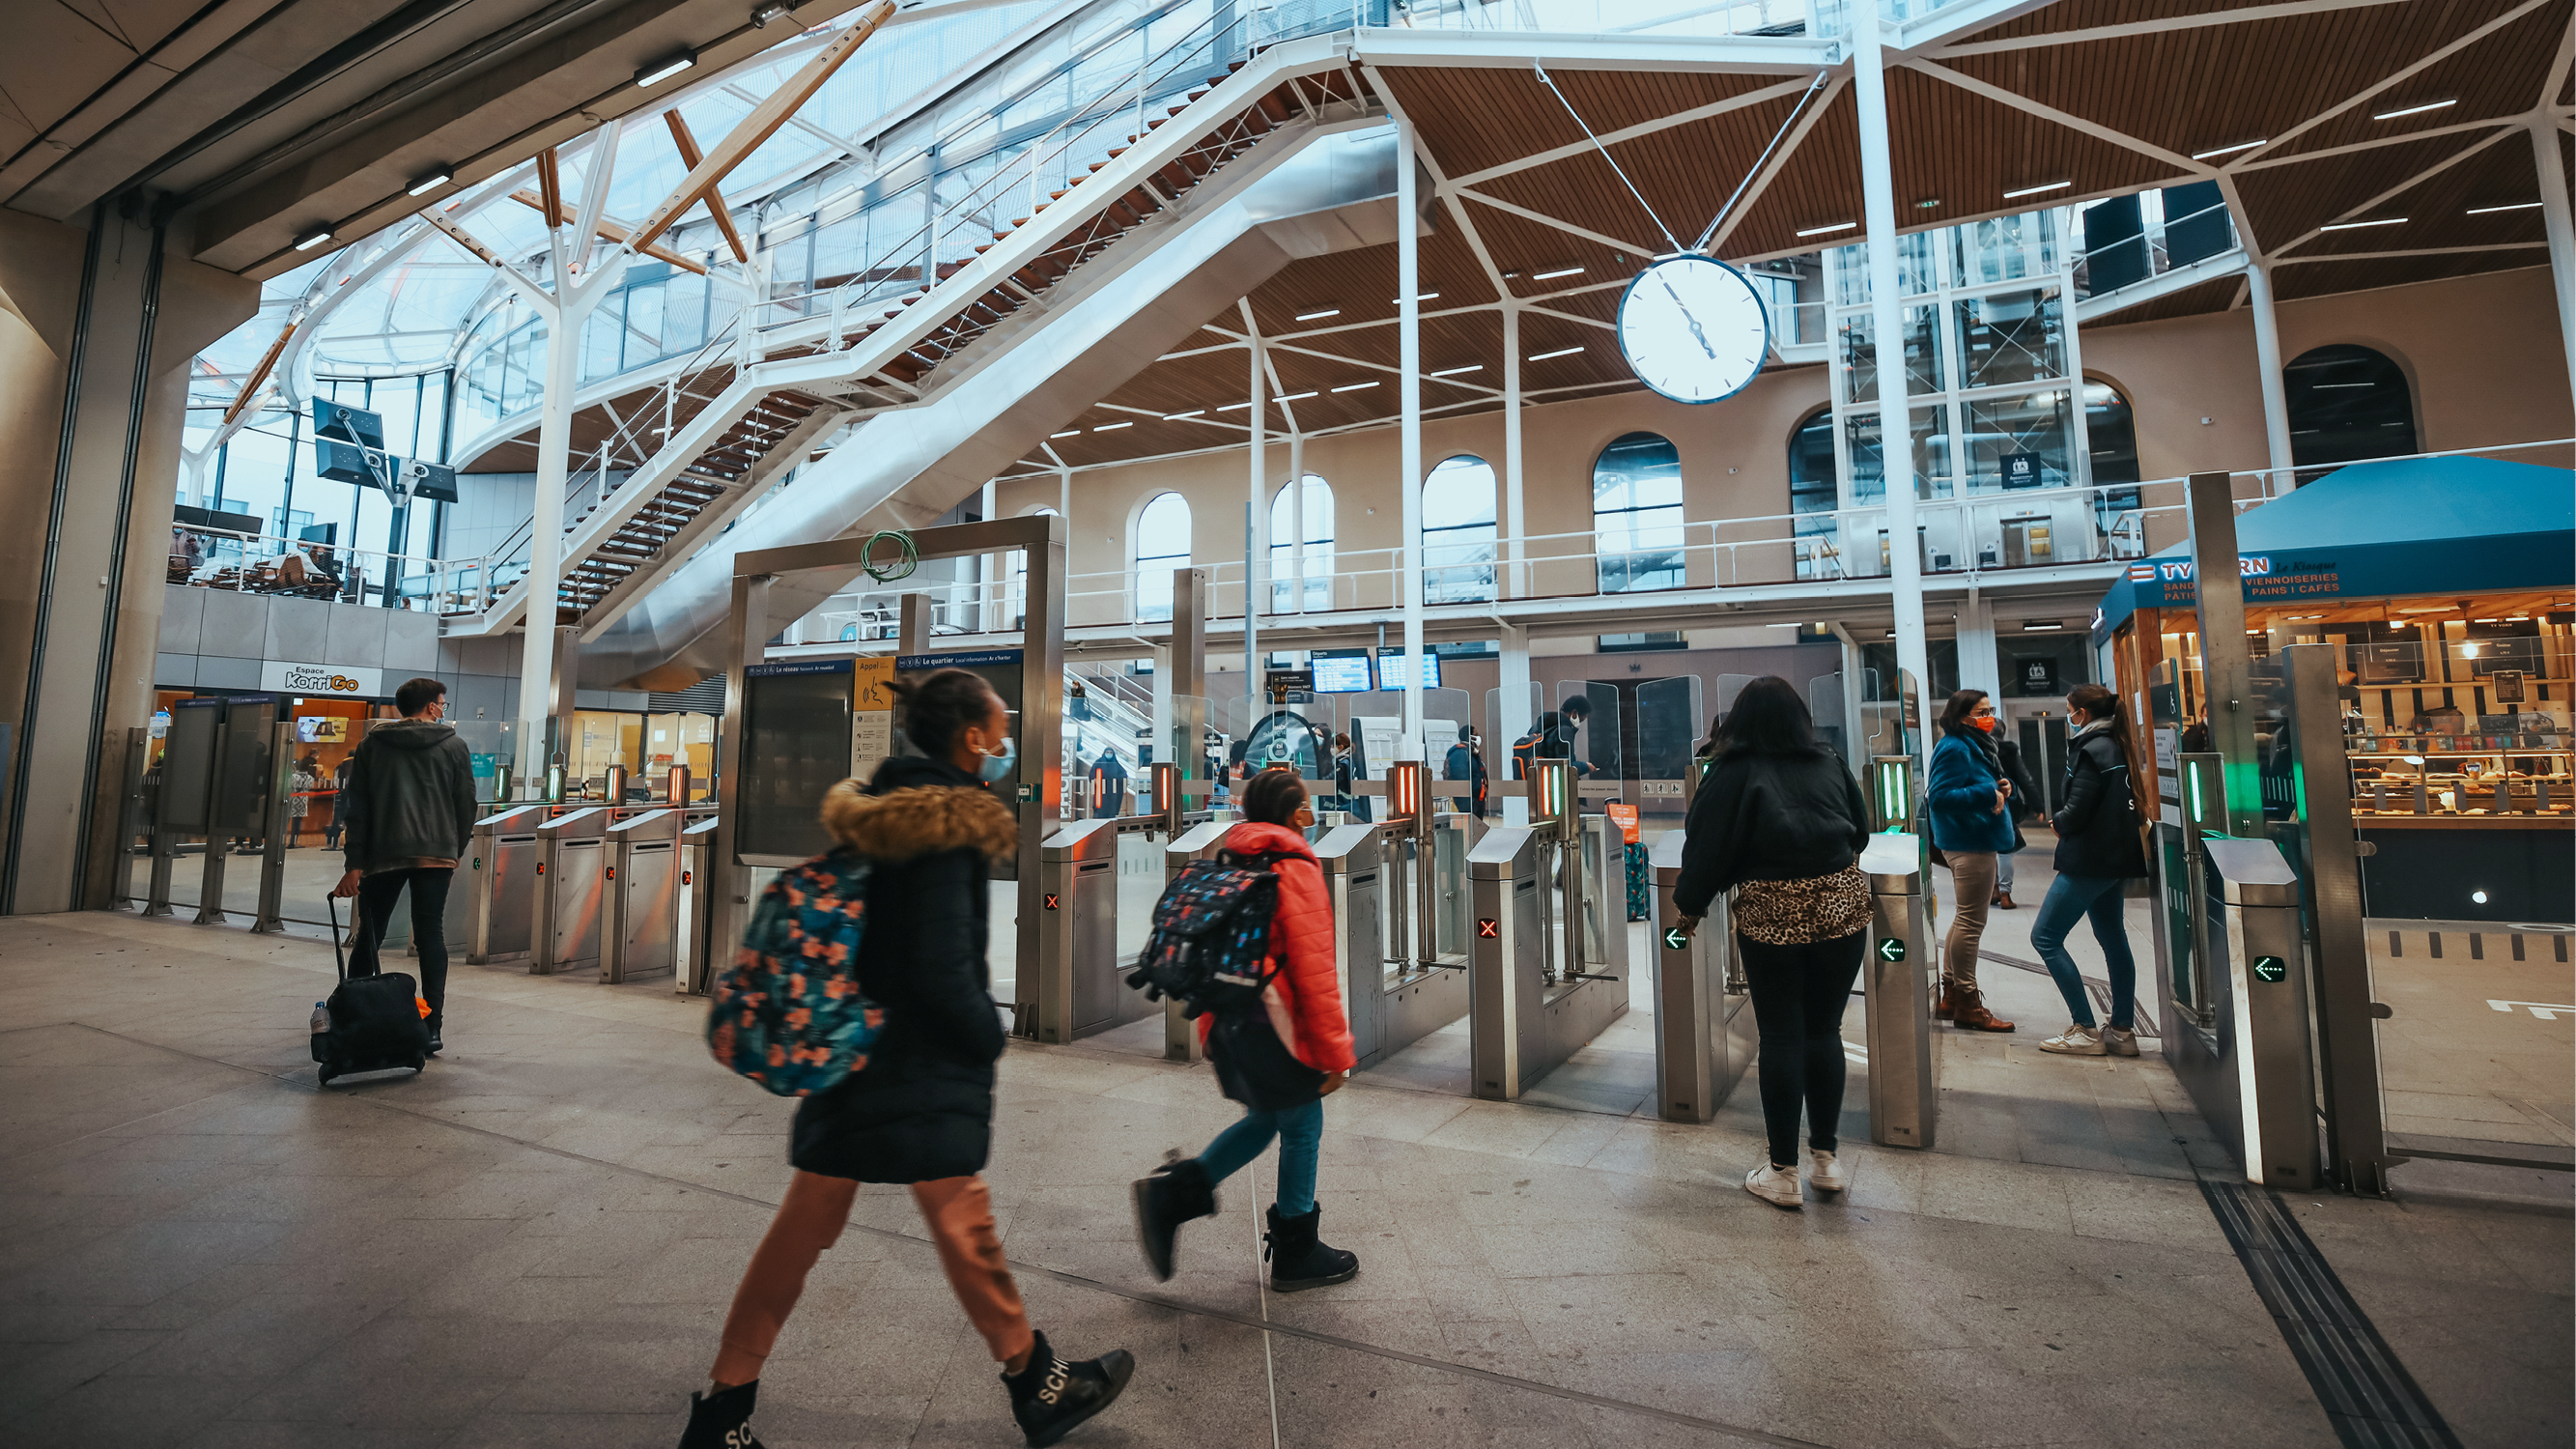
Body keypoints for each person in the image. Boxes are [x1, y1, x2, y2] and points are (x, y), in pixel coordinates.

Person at [681, 669, 1133, 1449]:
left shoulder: (882, 811)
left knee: (814, 1229)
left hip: (856, 1050)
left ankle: (724, 1405)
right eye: (999, 727)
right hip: (913, 1061)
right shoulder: (950, 828)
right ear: (970, 739)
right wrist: (986, 1036)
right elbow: (940, 963)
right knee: (963, 1224)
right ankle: (1038, 1383)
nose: (1004, 742)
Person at [1132, 768, 1359, 1291]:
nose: (1310, 813)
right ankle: (1297, 1251)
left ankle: (1173, 1194)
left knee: (1265, 1119)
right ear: (1293, 813)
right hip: (1278, 1029)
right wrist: (1334, 1053)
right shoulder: (1296, 868)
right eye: (1305, 805)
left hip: (1234, 1021)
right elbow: (1314, 973)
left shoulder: (1236, 856)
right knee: (1302, 1127)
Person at [1671, 677, 1872, 1210]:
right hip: (1840, 901)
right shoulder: (1827, 760)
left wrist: (1689, 909)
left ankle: (1782, 1172)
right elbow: (1861, 827)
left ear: (1738, 721)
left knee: (1782, 1035)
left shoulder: (1731, 771)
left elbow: (1707, 845)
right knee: (1824, 1030)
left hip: (1773, 907)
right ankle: (1827, 1161)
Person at [331, 678, 479, 1056]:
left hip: (384, 853)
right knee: (430, 933)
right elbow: (466, 805)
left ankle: (356, 1015)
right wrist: (455, 847)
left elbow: (358, 809)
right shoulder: (454, 746)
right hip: (436, 853)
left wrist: (354, 864)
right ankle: (432, 1026)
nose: (443, 708)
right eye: (442, 703)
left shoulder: (371, 746)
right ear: (431, 707)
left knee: (371, 933)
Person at [2030, 682, 2150, 1058]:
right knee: (2113, 938)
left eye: (2070, 708)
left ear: (2082, 713)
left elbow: (2079, 806)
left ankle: (2083, 1027)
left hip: (2089, 860)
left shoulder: (2092, 749)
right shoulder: (2116, 745)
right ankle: (2122, 1030)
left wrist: (2059, 822)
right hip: (2115, 858)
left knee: (2045, 937)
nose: (2069, 715)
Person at [1926, 691, 2017, 1033]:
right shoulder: (1955, 747)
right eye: (1981, 711)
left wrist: (2002, 787)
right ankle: (1967, 1001)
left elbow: (1977, 784)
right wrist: (1985, 793)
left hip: (1975, 840)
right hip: (1969, 843)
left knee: (1963, 920)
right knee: (1971, 924)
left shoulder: (1976, 743)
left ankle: (1951, 994)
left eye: (1990, 709)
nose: (1988, 716)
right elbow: (1940, 796)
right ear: (1962, 716)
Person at [1993, 733, 2040, 909]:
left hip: (1983, 807)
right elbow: (2024, 779)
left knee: (1988, 852)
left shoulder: (1974, 749)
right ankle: (2005, 894)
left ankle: (1994, 890)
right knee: (2005, 851)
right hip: (2006, 805)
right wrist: (2037, 805)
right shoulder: (2009, 751)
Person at [1443, 724, 1488, 818]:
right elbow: (1460, 780)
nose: (1478, 737)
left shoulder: (1471, 753)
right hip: (1469, 804)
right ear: (1470, 737)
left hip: (1476, 801)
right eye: (1476, 735)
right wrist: (1466, 806)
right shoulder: (1460, 753)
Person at [1331, 732, 1370, 823]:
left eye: (1333, 746)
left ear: (1340, 747)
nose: (1331, 749)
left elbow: (1335, 780)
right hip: (1350, 802)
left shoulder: (1343, 763)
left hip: (1345, 803)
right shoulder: (1348, 760)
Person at [288, 753, 320, 847]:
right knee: (297, 822)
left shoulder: (293, 776)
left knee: (286, 820)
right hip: (302, 800)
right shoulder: (309, 778)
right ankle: (293, 842)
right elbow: (310, 787)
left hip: (291, 799)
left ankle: (282, 839)